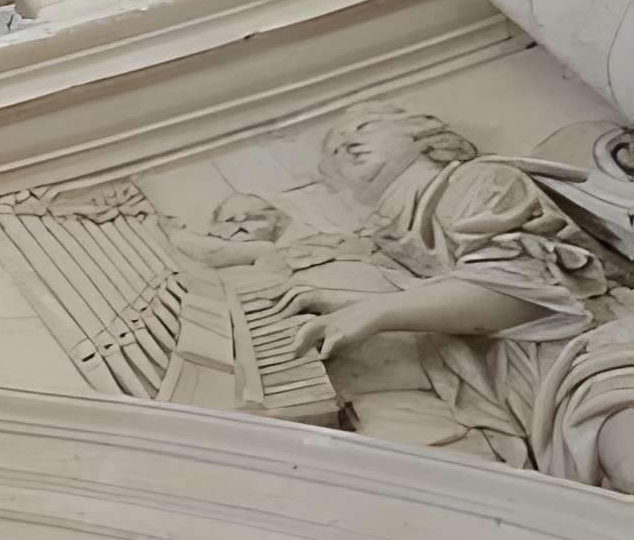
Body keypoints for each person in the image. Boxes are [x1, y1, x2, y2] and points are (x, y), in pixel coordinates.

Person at [270, 105, 634, 493]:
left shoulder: (479, 179)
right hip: (534, 395)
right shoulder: (385, 236)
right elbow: (445, 295)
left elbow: (530, 291)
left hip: (593, 359)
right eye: (335, 149)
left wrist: (375, 311)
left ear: (425, 133)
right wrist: (349, 301)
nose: (350, 144)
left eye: (366, 127)